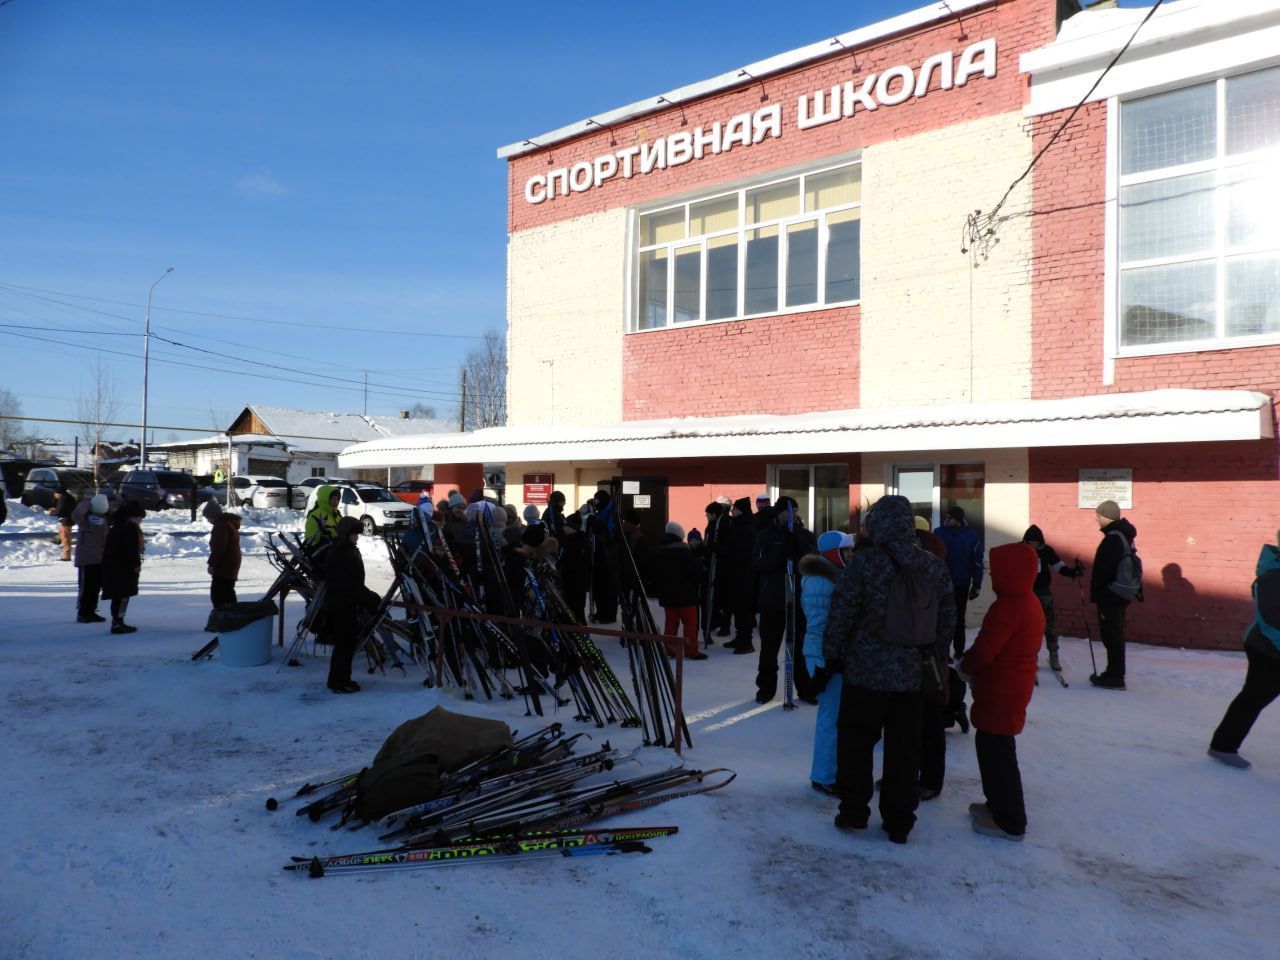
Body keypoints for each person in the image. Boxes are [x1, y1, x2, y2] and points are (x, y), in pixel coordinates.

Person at [822, 494, 955, 844]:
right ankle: (899, 820)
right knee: (905, 749)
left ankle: (853, 810)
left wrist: (832, 654)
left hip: (865, 672)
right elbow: (947, 623)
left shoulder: (864, 565)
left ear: (877, 524)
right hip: (912, 677)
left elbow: (842, 614)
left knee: (856, 741)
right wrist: (936, 658)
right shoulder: (933, 567)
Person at [958, 542, 1045, 841]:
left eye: (996, 571)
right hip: (1008, 687)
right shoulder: (1027, 601)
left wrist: (965, 667)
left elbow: (985, 649)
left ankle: (1010, 820)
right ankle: (996, 804)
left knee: (998, 754)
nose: (993, 576)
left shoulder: (1009, 607)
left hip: (1001, 689)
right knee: (991, 748)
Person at [1207, 531, 1280, 769]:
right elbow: (1270, 620)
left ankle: (1223, 745)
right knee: (1253, 697)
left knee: (1256, 697)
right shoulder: (1272, 576)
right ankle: (1223, 746)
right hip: (1267, 650)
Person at [752, 496, 818, 704]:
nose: (793, 515)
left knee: (800, 647)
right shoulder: (765, 535)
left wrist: (798, 545)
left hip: (798, 600)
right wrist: (781, 552)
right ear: (779, 513)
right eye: (788, 512)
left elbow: (814, 561)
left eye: (796, 511)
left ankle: (805, 688)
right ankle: (766, 688)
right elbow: (759, 563)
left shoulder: (805, 535)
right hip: (772, 600)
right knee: (769, 648)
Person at [801, 531, 851, 795]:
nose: (850, 556)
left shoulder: (831, 575)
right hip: (823, 656)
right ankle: (823, 776)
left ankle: (829, 773)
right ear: (834, 552)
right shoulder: (821, 581)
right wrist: (825, 663)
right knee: (830, 718)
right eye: (846, 551)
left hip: (830, 656)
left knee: (836, 717)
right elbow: (820, 625)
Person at [320, 516, 381, 694]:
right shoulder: (340, 553)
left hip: (347, 603)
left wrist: (365, 597)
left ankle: (343, 678)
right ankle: (337, 681)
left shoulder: (348, 549)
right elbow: (347, 584)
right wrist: (368, 597)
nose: (357, 537)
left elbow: (354, 583)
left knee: (347, 644)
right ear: (346, 533)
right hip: (340, 605)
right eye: (354, 533)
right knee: (344, 644)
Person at [1089, 499, 1138, 690]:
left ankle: (1116, 677)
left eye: (1098, 516)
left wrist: (1100, 592)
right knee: (1114, 633)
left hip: (1110, 594)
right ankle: (1113, 672)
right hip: (1119, 593)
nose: (1096, 520)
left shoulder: (1113, 539)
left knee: (1111, 635)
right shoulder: (1124, 536)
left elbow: (1104, 569)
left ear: (1105, 517)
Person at [1022, 524, 1084, 672]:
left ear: (1040, 542)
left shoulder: (1047, 551)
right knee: (1028, 627)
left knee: (1049, 625)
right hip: (1025, 593)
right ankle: (1030, 655)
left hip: (1043, 593)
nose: (1033, 546)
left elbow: (1059, 567)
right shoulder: (1020, 550)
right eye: (1030, 542)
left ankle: (1053, 653)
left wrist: (1073, 572)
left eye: (1035, 543)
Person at [934, 506, 984, 657]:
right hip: (941, 583)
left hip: (961, 583)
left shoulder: (970, 535)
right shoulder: (938, 533)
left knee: (959, 618)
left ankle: (959, 651)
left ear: (959, 520)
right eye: (947, 517)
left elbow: (977, 560)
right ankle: (943, 652)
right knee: (941, 618)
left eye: (951, 518)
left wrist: (977, 583)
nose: (947, 519)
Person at [654, 521, 707, 661]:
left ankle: (670, 650)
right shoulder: (685, 551)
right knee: (690, 624)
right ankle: (691, 651)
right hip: (686, 595)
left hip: (667, 594)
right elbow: (694, 574)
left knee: (670, 623)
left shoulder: (660, 549)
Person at [101, 501, 146, 634]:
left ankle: (117, 620)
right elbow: (130, 550)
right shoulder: (129, 529)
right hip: (123, 568)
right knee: (122, 595)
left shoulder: (117, 526)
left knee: (118, 595)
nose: (140, 521)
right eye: (140, 518)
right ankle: (118, 622)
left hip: (113, 566)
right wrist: (136, 565)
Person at [722, 497, 758, 654]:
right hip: (738, 573)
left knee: (743, 608)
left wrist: (728, 554)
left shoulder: (747, 528)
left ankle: (746, 641)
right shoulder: (740, 526)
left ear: (740, 510)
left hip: (744, 575)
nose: (732, 512)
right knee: (738, 608)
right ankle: (740, 637)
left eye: (734, 509)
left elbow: (743, 553)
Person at [72, 493, 110, 622]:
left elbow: (115, 515)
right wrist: (87, 502)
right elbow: (76, 514)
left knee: (95, 587)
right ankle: (83, 612)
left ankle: (91, 610)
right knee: (86, 587)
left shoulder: (104, 519)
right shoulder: (85, 520)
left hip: (100, 558)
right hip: (87, 559)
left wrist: (107, 506)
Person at [587, 489, 620, 623]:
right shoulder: (602, 512)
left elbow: (610, 533)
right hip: (599, 553)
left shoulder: (612, 513)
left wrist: (595, 522)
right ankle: (600, 611)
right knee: (598, 585)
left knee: (608, 586)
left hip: (609, 555)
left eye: (597, 501)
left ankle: (609, 615)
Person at [204, 499, 242, 608]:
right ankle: (233, 617)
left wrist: (212, 564)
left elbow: (218, 548)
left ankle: (225, 620)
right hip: (231, 562)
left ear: (213, 515)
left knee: (218, 595)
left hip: (225, 564)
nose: (207, 520)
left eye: (208, 517)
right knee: (228, 592)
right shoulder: (228, 523)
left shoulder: (221, 526)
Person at [557, 511, 590, 626]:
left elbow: (581, 563)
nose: (564, 527)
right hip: (567, 579)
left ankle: (579, 627)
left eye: (566, 525)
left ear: (573, 527)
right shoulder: (568, 540)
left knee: (577, 606)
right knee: (569, 604)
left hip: (577, 581)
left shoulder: (580, 541)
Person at [51, 485, 78, 561]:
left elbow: (60, 511)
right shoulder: (67, 497)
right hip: (68, 519)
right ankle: (66, 554)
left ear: (58, 493)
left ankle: (67, 555)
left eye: (55, 493)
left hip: (66, 520)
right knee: (64, 536)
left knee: (65, 537)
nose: (54, 495)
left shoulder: (64, 499)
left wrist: (52, 512)